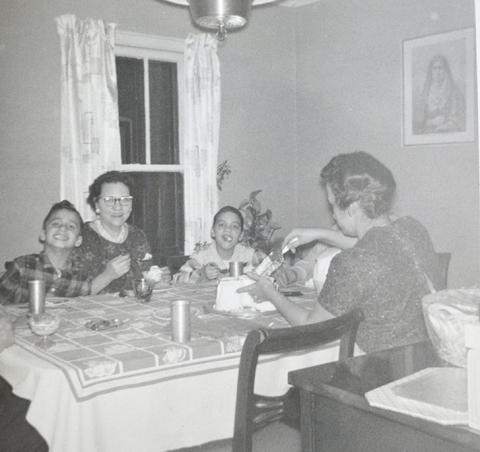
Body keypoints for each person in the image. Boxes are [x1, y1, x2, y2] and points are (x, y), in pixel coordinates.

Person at [239, 151, 442, 353]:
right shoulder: (412, 229)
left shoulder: (350, 263)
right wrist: (318, 234)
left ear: (352, 208)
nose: (333, 215)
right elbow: (377, 251)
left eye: (332, 205)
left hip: (379, 371)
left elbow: (310, 328)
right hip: (427, 358)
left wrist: (269, 292)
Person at [71, 171, 169, 294]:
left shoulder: (137, 236)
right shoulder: (80, 237)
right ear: (96, 204)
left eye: (125, 200)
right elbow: (72, 296)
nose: (118, 207)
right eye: (109, 200)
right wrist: (107, 276)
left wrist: (156, 280)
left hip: (131, 310)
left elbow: (142, 284)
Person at [0, 200, 93, 304]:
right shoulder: (22, 267)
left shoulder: (82, 280)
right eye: (56, 223)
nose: (62, 228)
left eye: (71, 226)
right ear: (43, 234)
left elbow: (80, 317)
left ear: (78, 241)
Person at [174, 206, 265, 283]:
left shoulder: (248, 254)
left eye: (234, 226)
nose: (228, 229)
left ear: (241, 235)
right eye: (222, 225)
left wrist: (263, 260)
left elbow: (267, 268)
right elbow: (176, 280)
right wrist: (201, 274)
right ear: (213, 232)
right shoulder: (201, 256)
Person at [413, 54, 466, 134]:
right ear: (431, 71)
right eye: (435, 68)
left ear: (445, 70)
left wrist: (447, 125)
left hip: (447, 131)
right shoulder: (425, 92)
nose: (438, 72)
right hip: (427, 132)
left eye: (441, 68)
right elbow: (418, 119)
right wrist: (429, 122)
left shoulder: (454, 92)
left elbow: (459, 118)